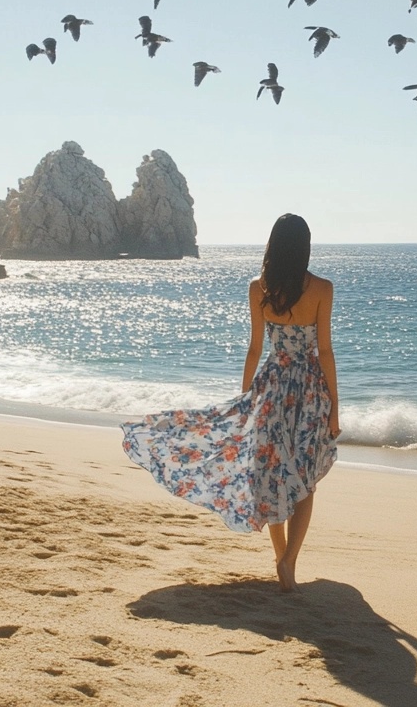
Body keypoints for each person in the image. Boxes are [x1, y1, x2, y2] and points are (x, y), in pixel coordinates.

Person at [122, 213, 341, 591]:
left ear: (273, 245)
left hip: (270, 388)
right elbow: (324, 351)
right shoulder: (323, 288)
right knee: (304, 482)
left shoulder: (259, 289)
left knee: (271, 476)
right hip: (309, 391)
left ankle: (279, 558)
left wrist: (246, 403)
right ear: (305, 247)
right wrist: (335, 406)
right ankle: (290, 562)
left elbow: (256, 349)